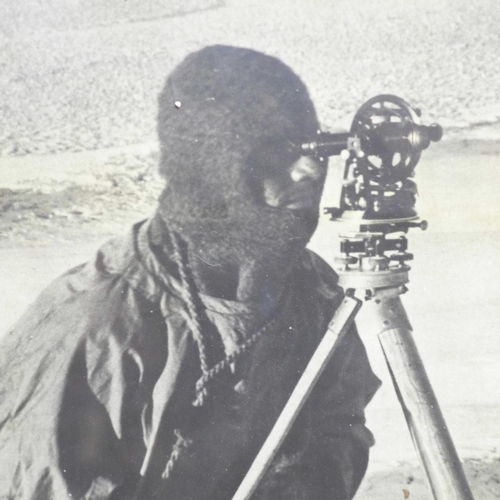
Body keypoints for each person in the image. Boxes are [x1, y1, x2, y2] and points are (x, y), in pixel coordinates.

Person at [0, 45, 380, 500]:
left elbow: (341, 426)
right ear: (213, 171)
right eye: (276, 152)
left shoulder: (308, 291)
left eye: (313, 146)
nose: (311, 168)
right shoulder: (98, 328)